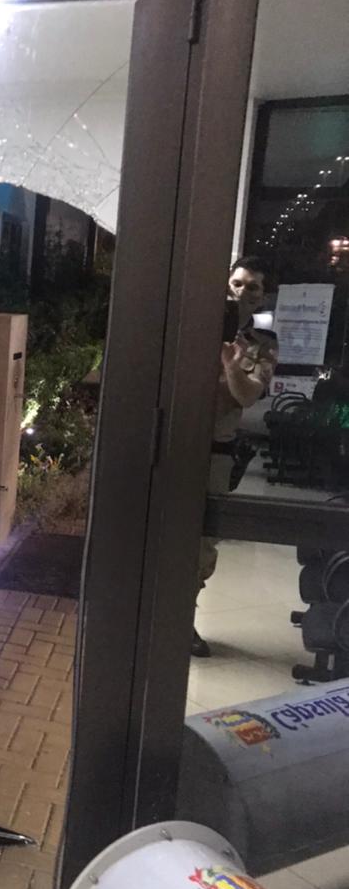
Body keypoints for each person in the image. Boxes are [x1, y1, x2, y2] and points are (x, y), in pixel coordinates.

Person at [193, 257, 277, 658]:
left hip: (215, 453)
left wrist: (231, 365)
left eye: (253, 286)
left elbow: (247, 396)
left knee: (201, 543)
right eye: (238, 283)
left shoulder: (263, 344)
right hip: (175, 442)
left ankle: (183, 621)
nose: (243, 292)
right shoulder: (194, 326)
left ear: (263, 295)